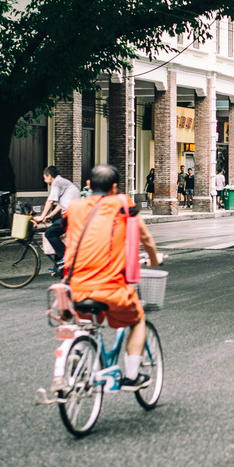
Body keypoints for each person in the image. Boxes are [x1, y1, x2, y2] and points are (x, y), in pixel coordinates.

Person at [64, 164, 160, 391]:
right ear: (115, 187)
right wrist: (154, 259)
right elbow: (144, 236)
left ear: (88, 185)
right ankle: (132, 376)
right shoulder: (123, 204)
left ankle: (78, 350)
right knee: (137, 320)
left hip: (74, 287)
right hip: (111, 288)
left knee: (86, 320)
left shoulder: (74, 207)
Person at [33, 166, 81, 273]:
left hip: (71, 215)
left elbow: (50, 201)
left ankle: (66, 257)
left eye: (44, 178)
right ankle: (58, 268)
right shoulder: (63, 182)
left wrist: (41, 216)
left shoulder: (57, 183)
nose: (45, 181)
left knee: (49, 233)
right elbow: (60, 204)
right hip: (73, 214)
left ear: (49, 176)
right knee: (55, 231)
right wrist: (50, 215)